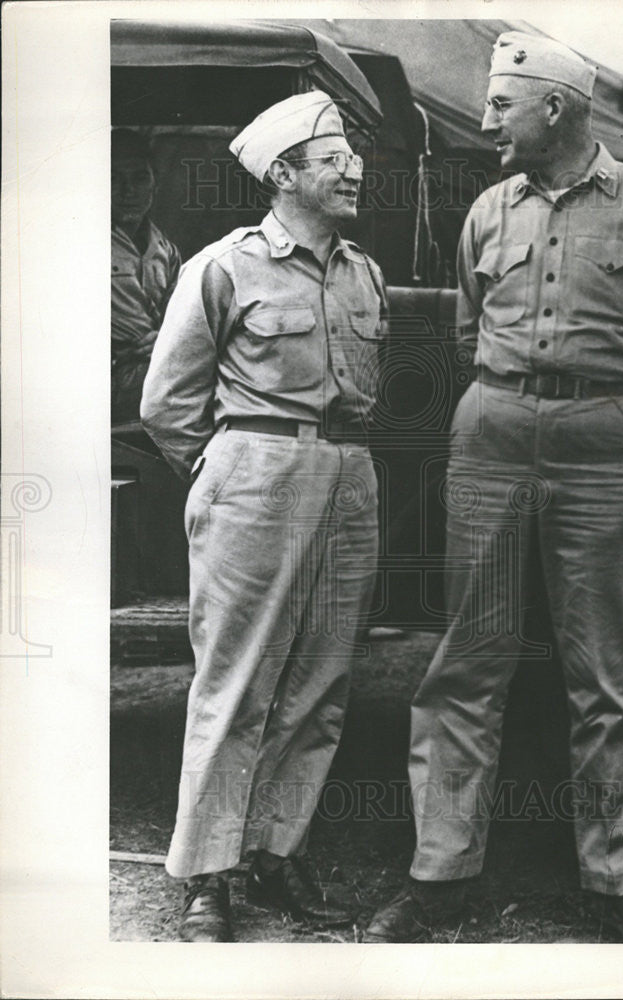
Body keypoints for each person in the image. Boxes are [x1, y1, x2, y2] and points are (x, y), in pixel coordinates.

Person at [365, 32, 623, 944]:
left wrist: (609, 420)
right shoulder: (488, 210)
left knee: (604, 677)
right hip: (489, 444)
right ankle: (440, 877)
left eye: (501, 107)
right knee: (465, 667)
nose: (487, 123)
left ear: (554, 108)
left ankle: (616, 887)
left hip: (607, 459)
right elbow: (466, 331)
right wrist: (520, 404)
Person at [141, 91, 386, 942]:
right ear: (283, 174)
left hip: (350, 475)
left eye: (354, 155)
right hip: (254, 473)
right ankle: (208, 878)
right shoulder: (224, 266)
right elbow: (168, 405)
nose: (353, 168)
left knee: (320, 684)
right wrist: (228, 471)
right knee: (235, 681)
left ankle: (275, 855)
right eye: (333, 158)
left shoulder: (364, 271)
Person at [111, 129, 181, 424]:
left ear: (155, 185)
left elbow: (181, 319)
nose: (128, 190)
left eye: (140, 178)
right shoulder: (79, 243)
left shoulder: (165, 250)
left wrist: (166, 340)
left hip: (154, 371)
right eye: (114, 178)